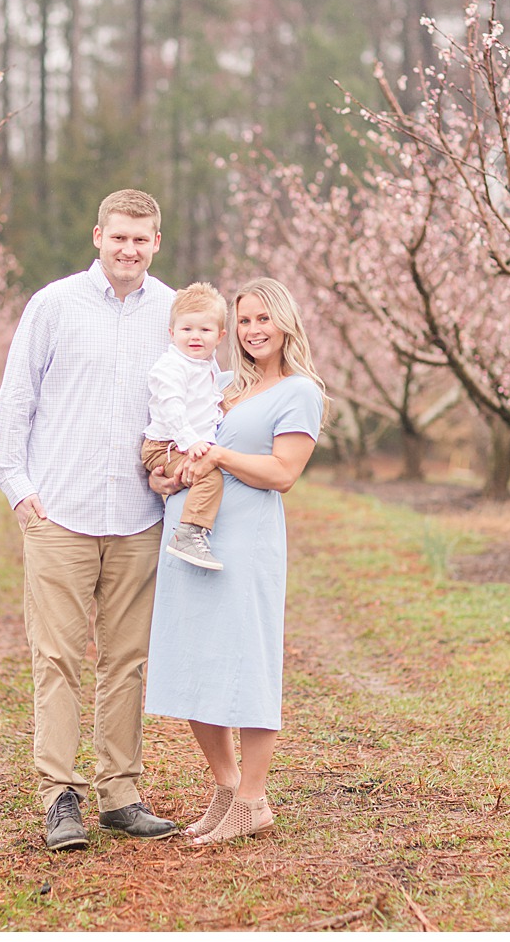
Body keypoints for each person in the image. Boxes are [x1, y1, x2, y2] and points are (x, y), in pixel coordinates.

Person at [0, 188, 180, 851]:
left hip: (138, 516)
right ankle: (59, 794)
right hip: (60, 514)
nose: (129, 248)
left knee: (127, 658)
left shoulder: (174, 312)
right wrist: (19, 491)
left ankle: (121, 792)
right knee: (58, 656)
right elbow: (15, 406)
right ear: (98, 235)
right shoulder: (54, 305)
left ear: (157, 242)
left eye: (141, 238)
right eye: (118, 236)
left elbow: (193, 402)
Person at [144, 277, 325, 843]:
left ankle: (253, 798)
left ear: (285, 322)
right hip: (188, 537)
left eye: (262, 319)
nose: (252, 331)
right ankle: (226, 789)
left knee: (247, 661)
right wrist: (164, 474)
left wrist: (219, 454)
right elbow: (179, 449)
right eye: (244, 321)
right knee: (192, 659)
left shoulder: (299, 392)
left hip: (246, 542)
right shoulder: (220, 383)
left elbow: (283, 473)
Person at [140, 282, 229, 572]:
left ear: (220, 336)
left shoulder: (206, 366)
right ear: (172, 333)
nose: (195, 337)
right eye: (187, 329)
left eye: (205, 330)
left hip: (180, 442)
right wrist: (190, 442)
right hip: (165, 445)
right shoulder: (171, 366)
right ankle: (188, 534)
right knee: (208, 476)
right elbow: (171, 406)